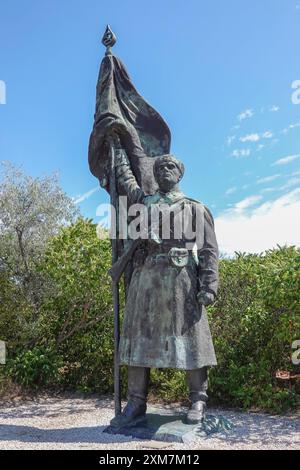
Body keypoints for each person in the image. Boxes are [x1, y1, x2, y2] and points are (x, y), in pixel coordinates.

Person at [111, 145, 219, 427]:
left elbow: (208, 250)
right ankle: (136, 402)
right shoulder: (143, 203)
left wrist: (209, 285)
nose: (163, 171)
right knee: (138, 340)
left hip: (181, 281)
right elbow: (125, 178)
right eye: (159, 168)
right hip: (146, 279)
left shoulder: (195, 208)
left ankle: (198, 399)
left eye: (169, 167)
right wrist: (117, 146)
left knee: (191, 341)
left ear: (180, 173)